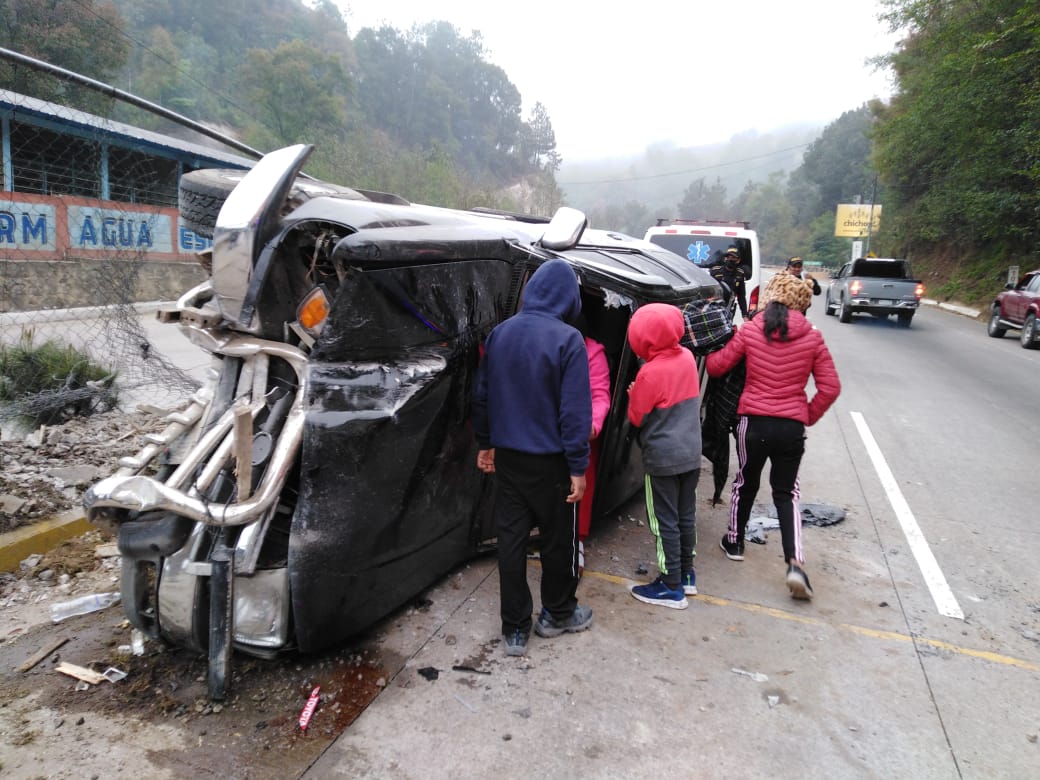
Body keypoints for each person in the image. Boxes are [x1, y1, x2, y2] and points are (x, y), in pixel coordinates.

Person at [472, 259, 594, 657]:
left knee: (511, 541)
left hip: (509, 459)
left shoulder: (500, 334)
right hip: (553, 464)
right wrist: (578, 466)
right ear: (567, 297)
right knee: (559, 540)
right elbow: (574, 412)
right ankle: (557, 614)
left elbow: (482, 395)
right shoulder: (568, 340)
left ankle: (514, 630)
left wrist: (486, 442)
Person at [706, 272, 840, 600]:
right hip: (791, 427)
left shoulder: (750, 330)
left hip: (752, 423)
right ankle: (794, 562)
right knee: (786, 492)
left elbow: (717, 367)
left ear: (770, 297)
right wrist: (806, 414)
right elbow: (831, 387)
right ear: (801, 305)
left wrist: (710, 342)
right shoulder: (812, 337)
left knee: (745, 482)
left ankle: (735, 542)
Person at [625, 302, 702, 609]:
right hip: (691, 454)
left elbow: (636, 418)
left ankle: (670, 587)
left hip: (663, 459)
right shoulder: (687, 357)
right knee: (685, 515)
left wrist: (633, 395)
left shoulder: (649, 373)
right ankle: (685, 574)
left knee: (663, 520)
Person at [574, 315, 611, 576]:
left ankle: (575, 540)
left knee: (580, 486)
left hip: (578, 434)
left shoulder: (591, 351)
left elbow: (600, 394)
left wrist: (593, 425)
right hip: (539, 432)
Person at [709, 246, 750, 319]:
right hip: (714, 308)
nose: (730, 259)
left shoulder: (740, 274)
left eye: (733, 258)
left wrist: (745, 315)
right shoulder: (715, 271)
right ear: (725, 259)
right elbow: (708, 291)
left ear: (738, 260)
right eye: (729, 257)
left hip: (729, 309)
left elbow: (741, 296)